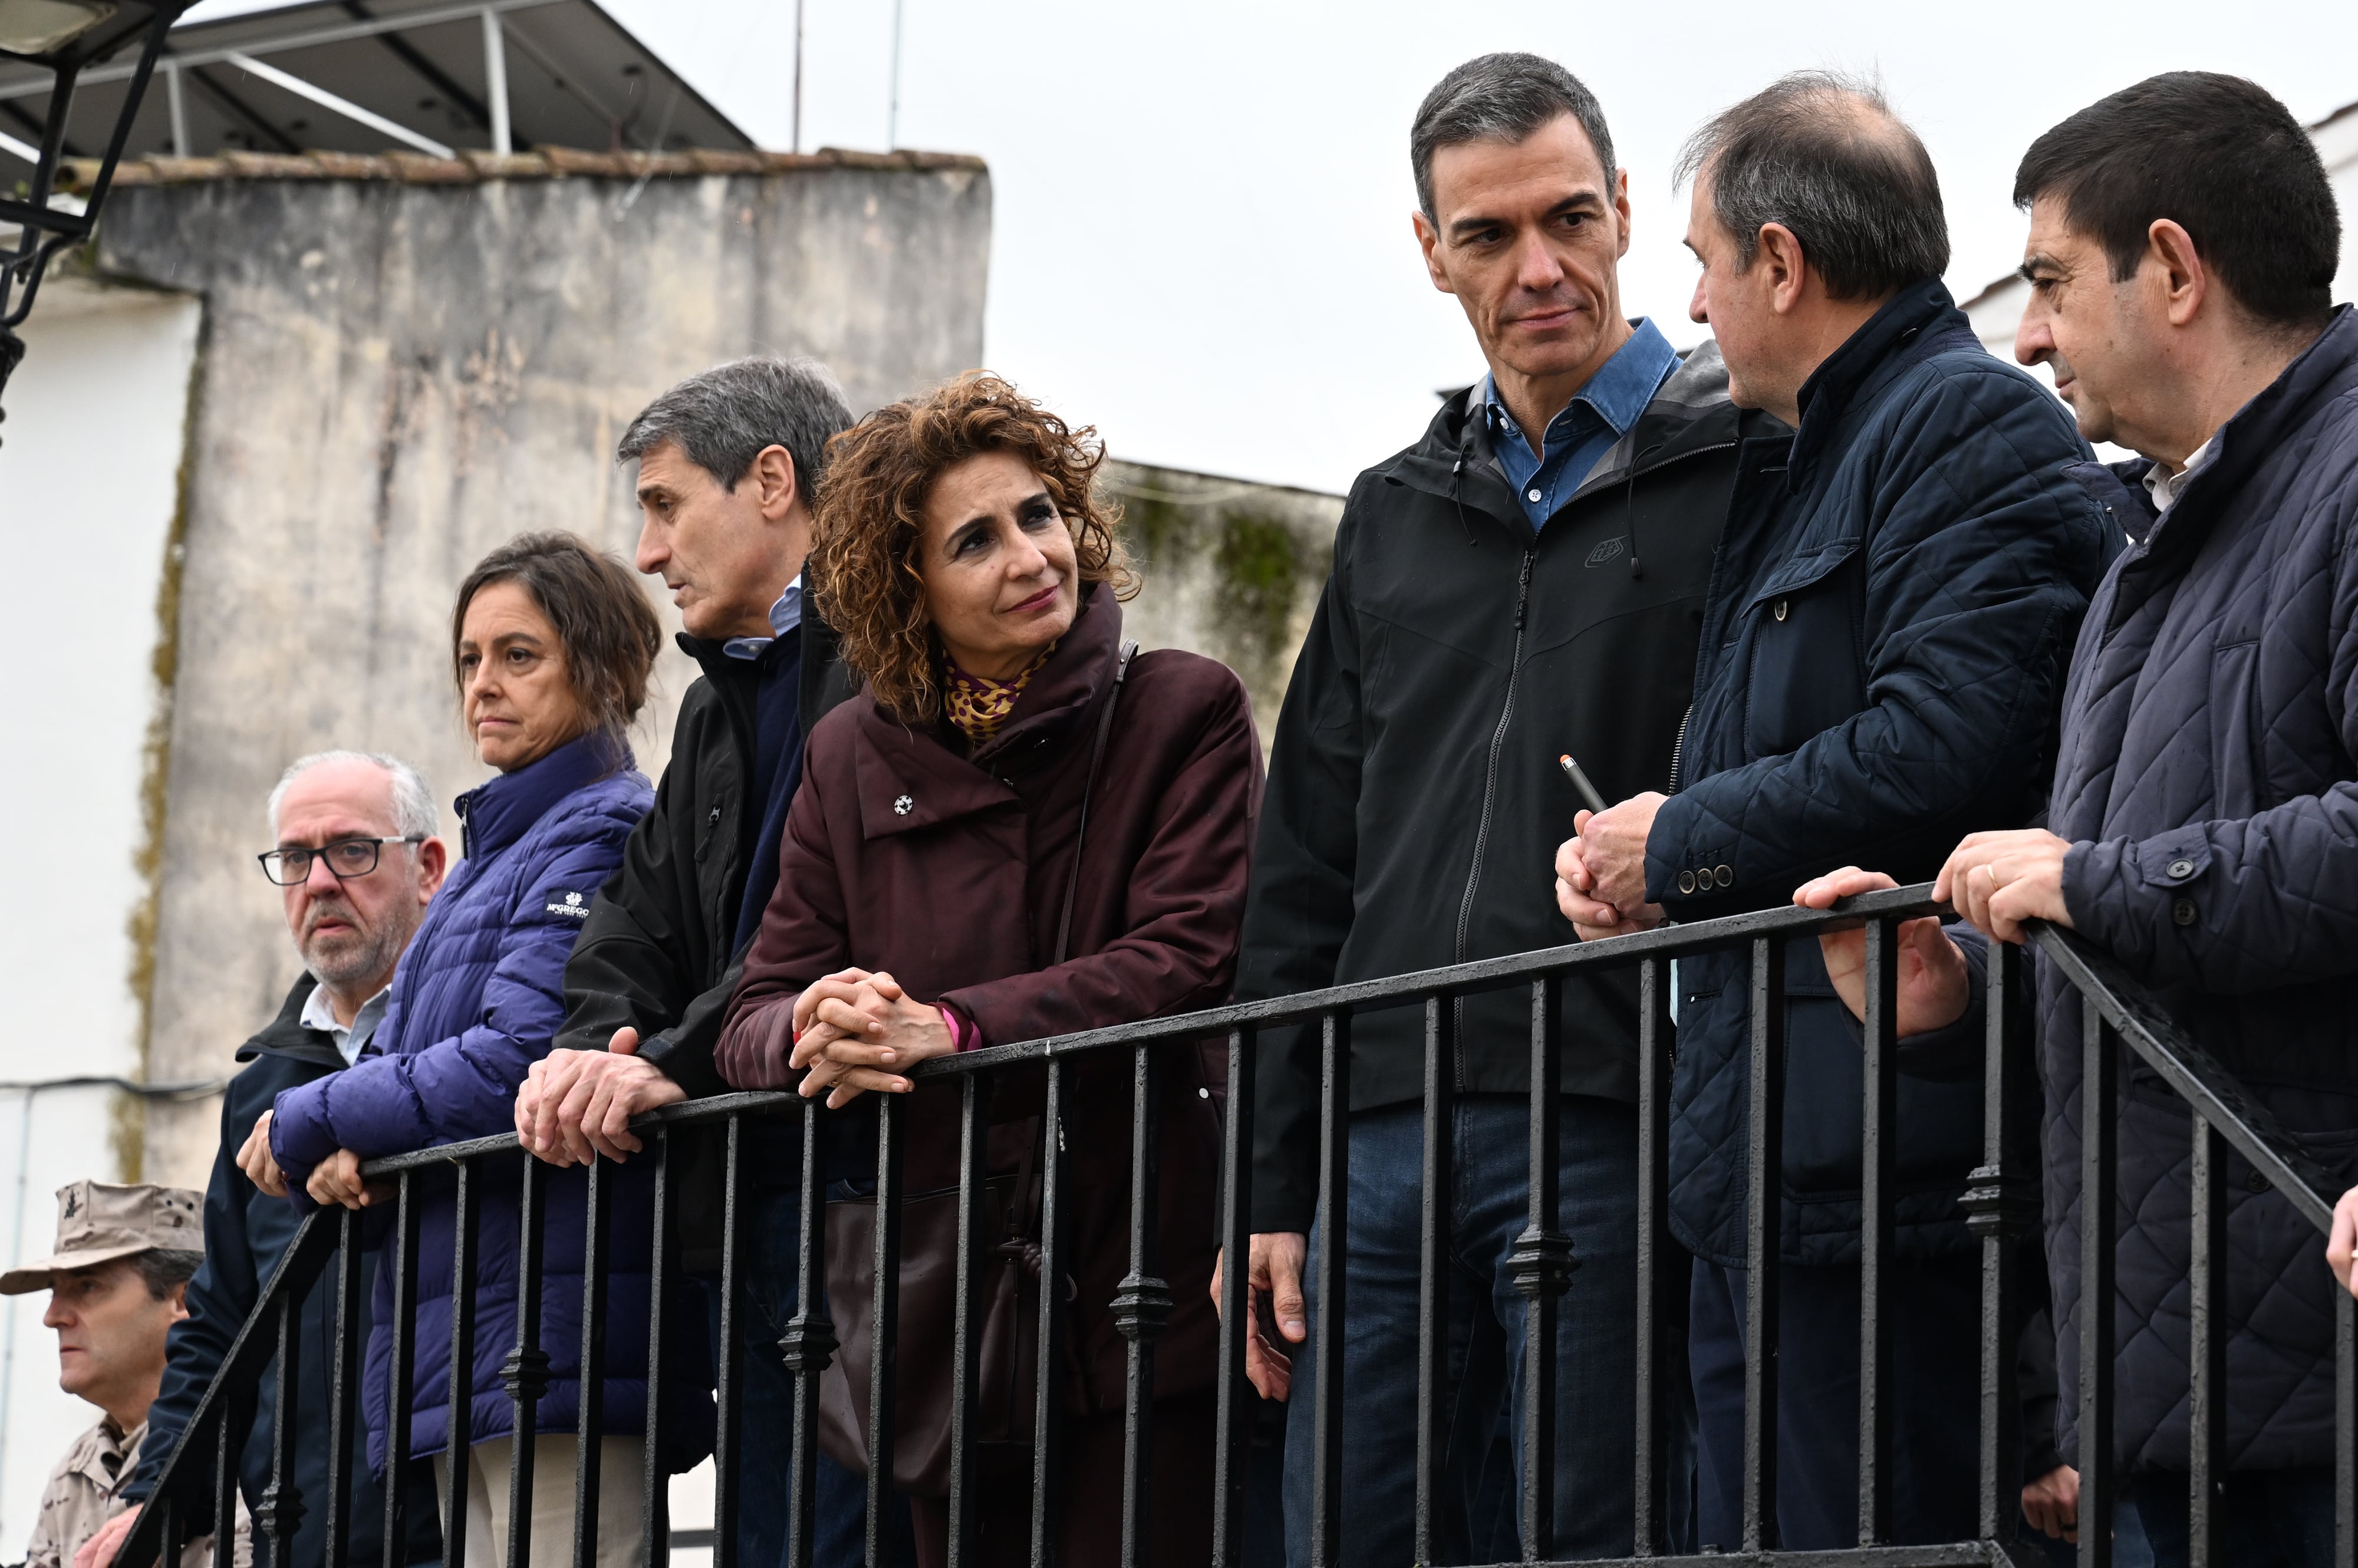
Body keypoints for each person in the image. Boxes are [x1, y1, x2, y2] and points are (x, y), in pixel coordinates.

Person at [1804, 71, 2356, 1568]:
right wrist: (1962, 994)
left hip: (2323, 1388)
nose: (2028, 330)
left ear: (2172, 269)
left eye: (2048, 279)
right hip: (2164, 1412)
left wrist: (2092, 884)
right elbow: (2122, 947)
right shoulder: (2137, 559)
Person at [1555, 72, 2108, 1549]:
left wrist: (1673, 839)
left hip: (1884, 1174)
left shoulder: (1961, 429)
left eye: (1699, 261)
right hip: (1781, 1166)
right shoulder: (1818, 456)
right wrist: (1659, 864)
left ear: (1782, 262)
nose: (1689, 301)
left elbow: (1946, 741)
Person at [1233, 52, 1769, 1563]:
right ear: (1429, 253)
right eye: (1486, 236)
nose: (1537, 269)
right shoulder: (1392, 508)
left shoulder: (1747, 458)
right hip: (1376, 1133)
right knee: (1344, 1532)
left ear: (1620, 210)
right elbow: (1304, 864)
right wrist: (1274, 1179)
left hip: (1611, 1104)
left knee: (1587, 1534)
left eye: (1566, 219)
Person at [713, 371, 1259, 1567]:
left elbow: (1183, 958)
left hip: (1141, 1275)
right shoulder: (847, 754)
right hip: (945, 1311)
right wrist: (820, 1016)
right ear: (907, 585)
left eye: (1037, 514)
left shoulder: (1181, 708)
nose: (1029, 555)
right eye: (975, 538)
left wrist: (950, 1029)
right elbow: (749, 1012)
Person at [509, 358, 897, 1566]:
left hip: (866, 1187)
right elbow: (633, 923)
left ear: (772, 481)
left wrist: (664, 1062)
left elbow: (831, 920)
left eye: (665, 505)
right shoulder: (715, 703)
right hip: (751, 1189)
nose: (644, 548)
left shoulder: (895, 653)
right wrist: (590, 1057)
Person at [245, 532, 694, 1568]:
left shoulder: (600, 828)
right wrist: (368, 1155)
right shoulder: (501, 856)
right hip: (479, 1342)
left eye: (518, 655)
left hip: (558, 1333)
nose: (483, 684)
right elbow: (416, 1066)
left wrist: (315, 1117)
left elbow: (514, 1064)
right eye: (469, 659)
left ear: (600, 665)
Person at [86, 753, 451, 1568]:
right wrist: (157, 1502)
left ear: (427, 868)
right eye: (295, 857)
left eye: (353, 849)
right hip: (304, 1534)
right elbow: (221, 1323)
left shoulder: (476, 1041)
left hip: (464, 1521)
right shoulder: (263, 1087)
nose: (320, 881)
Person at [1, 1181, 229, 1568]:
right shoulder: (75, 1470)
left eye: (88, 1285)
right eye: (54, 1291)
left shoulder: (246, 1447)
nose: (53, 1317)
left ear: (185, 1300)